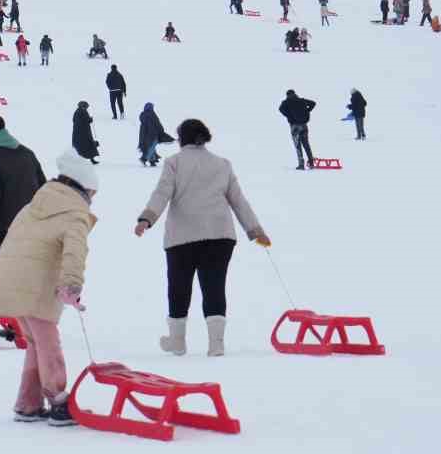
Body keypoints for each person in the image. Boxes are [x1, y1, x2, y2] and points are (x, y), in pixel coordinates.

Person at [0, 151, 98, 425]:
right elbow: (74, 251)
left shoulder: (32, 206)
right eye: (92, 194)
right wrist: (71, 284)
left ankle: (28, 403)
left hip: (11, 280)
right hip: (36, 285)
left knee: (36, 342)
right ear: (84, 188)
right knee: (48, 344)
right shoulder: (75, 212)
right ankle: (59, 402)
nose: (92, 200)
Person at [135, 118, 268, 357]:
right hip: (220, 236)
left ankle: (177, 342)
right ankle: (216, 344)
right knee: (214, 286)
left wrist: (147, 218)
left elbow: (162, 192)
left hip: (182, 237)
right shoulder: (222, 164)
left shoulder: (174, 163)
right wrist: (255, 230)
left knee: (178, 287)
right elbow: (238, 201)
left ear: (181, 139)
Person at [0, 113, 46, 288]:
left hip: (6, 227)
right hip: (32, 222)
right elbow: (43, 187)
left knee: (1, 273)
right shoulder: (27, 153)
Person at [278, 90, 317, 169]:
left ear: (287, 95)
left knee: (298, 146)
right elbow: (313, 103)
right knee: (306, 145)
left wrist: (289, 115)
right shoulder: (301, 100)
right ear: (295, 94)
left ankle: (301, 164)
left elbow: (280, 109)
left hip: (294, 126)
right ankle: (311, 163)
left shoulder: (286, 102)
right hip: (304, 125)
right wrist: (307, 111)